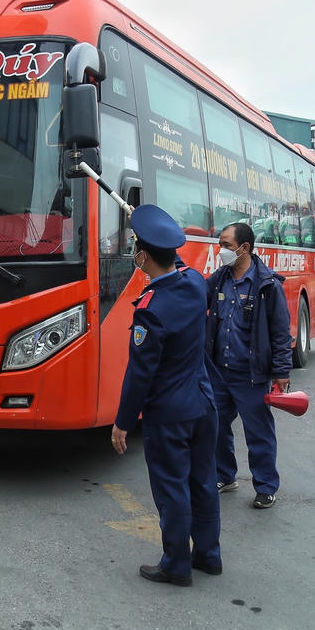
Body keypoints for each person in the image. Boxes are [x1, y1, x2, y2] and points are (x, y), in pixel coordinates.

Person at [110, 205, 220, 587]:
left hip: (170, 414)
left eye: (136, 249)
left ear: (142, 257)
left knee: (172, 488)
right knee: (203, 482)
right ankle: (208, 555)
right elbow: (180, 267)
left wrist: (123, 422)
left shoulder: (151, 310)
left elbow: (140, 373)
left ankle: (175, 564)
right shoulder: (194, 284)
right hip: (204, 403)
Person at [205, 222, 292, 511]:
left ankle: (265, 487)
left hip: (251, 375)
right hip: (219, 372)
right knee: (215, 426)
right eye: (220, 244)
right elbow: (194, 296)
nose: (221, 250)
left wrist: (281, 371)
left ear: (245, 248)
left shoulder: (267, 285)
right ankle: (224, 475)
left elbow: (280, 331)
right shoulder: (219, 279)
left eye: (226, 245)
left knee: (258, 433)